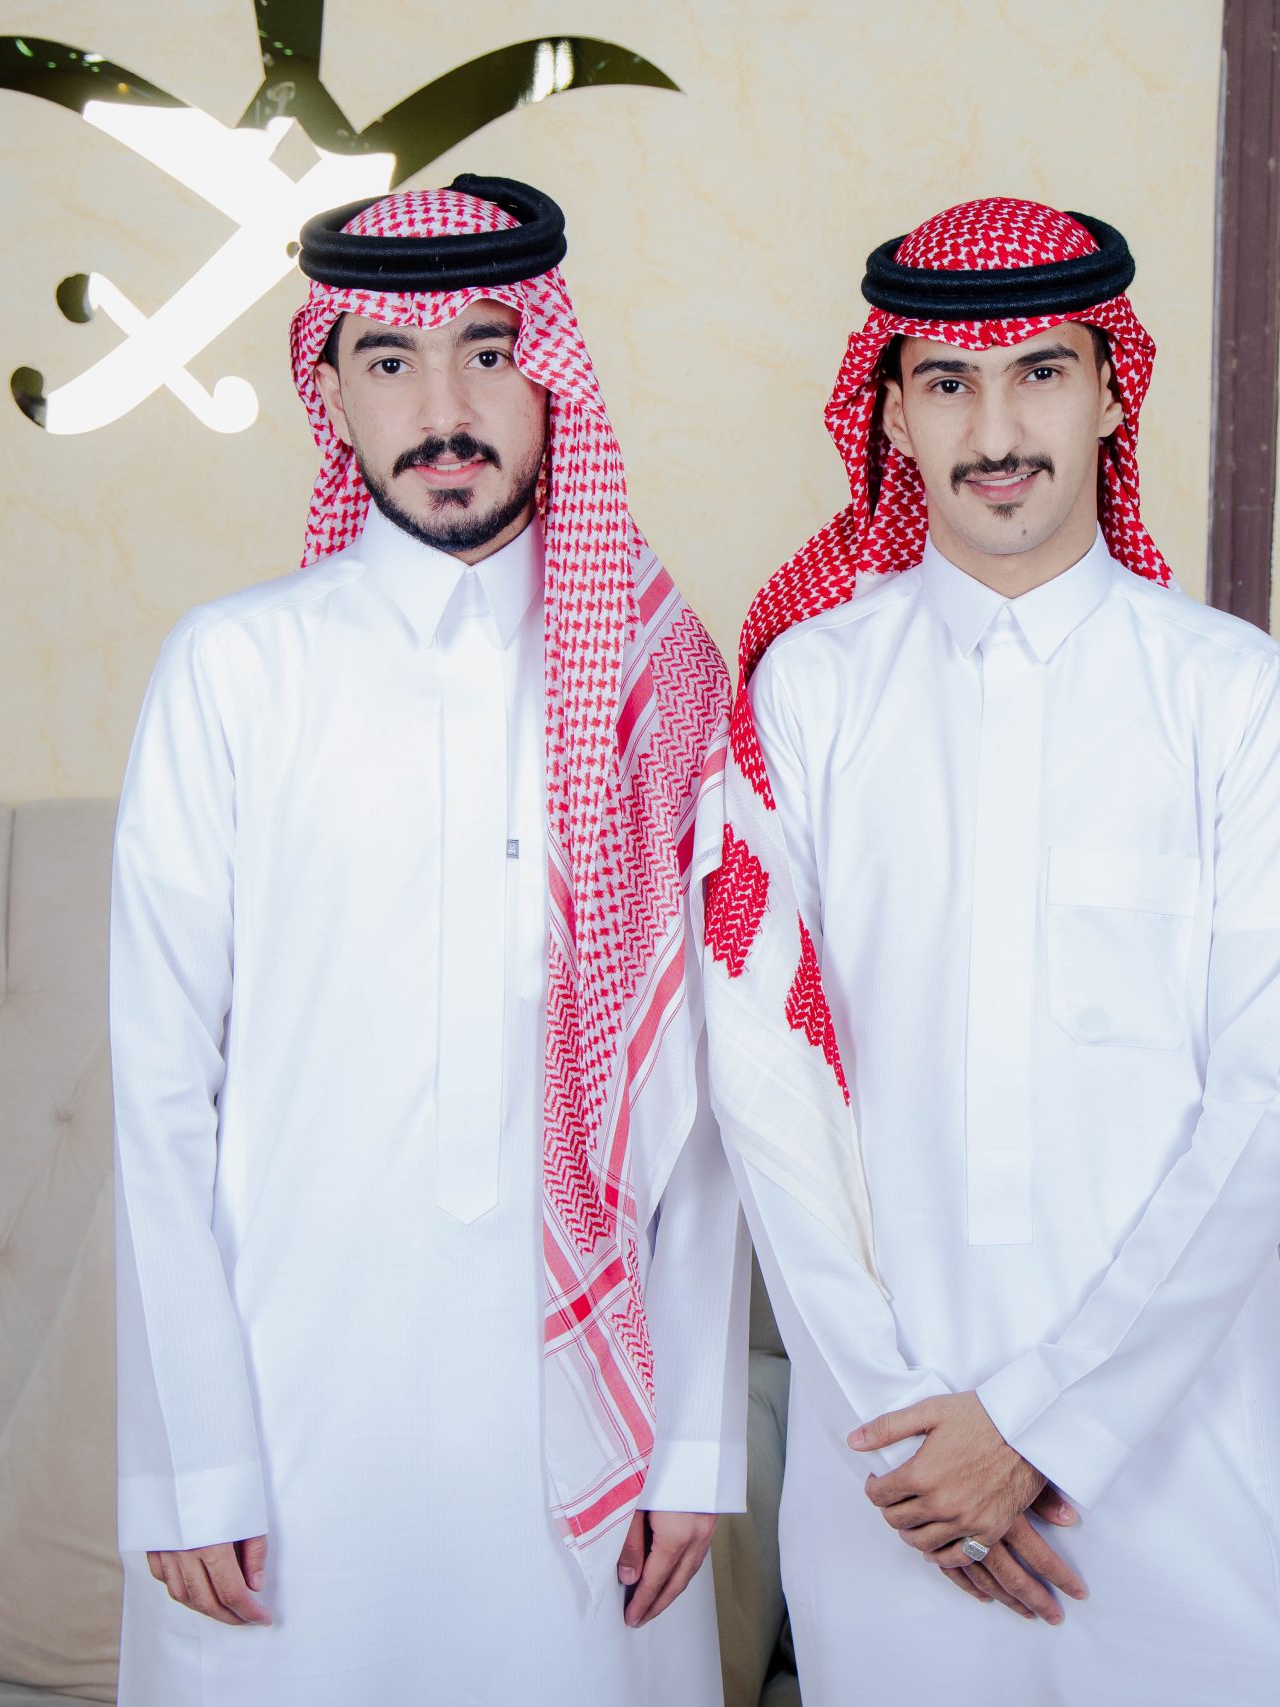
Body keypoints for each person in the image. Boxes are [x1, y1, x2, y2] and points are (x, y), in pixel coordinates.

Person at [703, 196, 1280, 1703]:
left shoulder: (1230, 693)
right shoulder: (806, 693)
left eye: (1040, 374)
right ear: (893, 413)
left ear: (1113, 390)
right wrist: (914, 1434)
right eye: (949, 382)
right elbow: (766, 1091)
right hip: (896, 1471)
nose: (996, 432)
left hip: (1189, 1457)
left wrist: (1045, 1427)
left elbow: (1265, 1103)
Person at [111, 175, 746, 1705]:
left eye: (488, 352)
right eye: (390, 361)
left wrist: (695, 1442)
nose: (444, 410)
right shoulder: (234, 672)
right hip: (287, 1418)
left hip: (585, 1433)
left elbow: (708, 1109)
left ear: (553, 376)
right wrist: (191, 1457)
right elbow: (156, 1092)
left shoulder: (659, 684)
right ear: (329, 389)